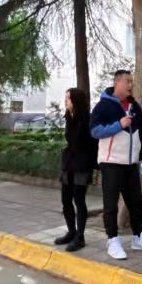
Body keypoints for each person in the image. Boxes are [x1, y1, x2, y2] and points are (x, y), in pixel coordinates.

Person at [90, 70, 142, 260]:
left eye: (132, 81)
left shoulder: (135, 106)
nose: (130, 85)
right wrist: (118, 125)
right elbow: (95, 131)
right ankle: (112, 240)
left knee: (136, 203)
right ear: (116, 82)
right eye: (127, 81)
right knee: (110, 204)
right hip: (111, 162)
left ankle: (138, 237)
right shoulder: (103, 106)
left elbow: (141, 132)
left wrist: (141, 157)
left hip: (131, 164)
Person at [55, 87, 97, 252]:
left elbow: (93, 143)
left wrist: (93, 165)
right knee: (65, 199)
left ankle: (80, 237)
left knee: (78, 199)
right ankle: (71, 231)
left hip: (82, 163)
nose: (65, 101)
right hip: (69, 162)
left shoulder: (87, 119)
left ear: (75, 100)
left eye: (68, 99)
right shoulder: (68, 117)